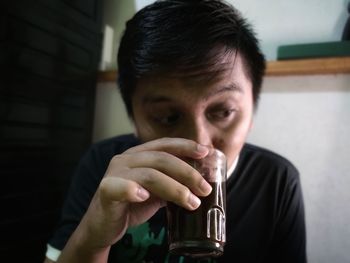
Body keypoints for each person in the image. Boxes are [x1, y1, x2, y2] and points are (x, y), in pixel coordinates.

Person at [44, 0, 307, 262]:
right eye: (168, 117)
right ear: (134, 119)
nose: (199, 144)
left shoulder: (278, 182)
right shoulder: (102, 165)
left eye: (224, 111)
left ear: (252, 112)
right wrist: (92, 240)